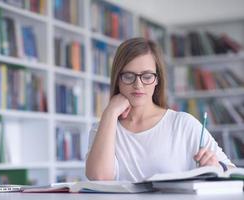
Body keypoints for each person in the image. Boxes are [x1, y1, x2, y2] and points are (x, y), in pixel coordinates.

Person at [85, 37, 234, 182]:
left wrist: (217, 167)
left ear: (157, 79)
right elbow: (99, 177)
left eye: (147, 76)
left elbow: (232, 172)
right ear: (118, 79)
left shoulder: (183, 124)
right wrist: (110, 113)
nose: (138, 85)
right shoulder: (103, 128)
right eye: (129, 76)